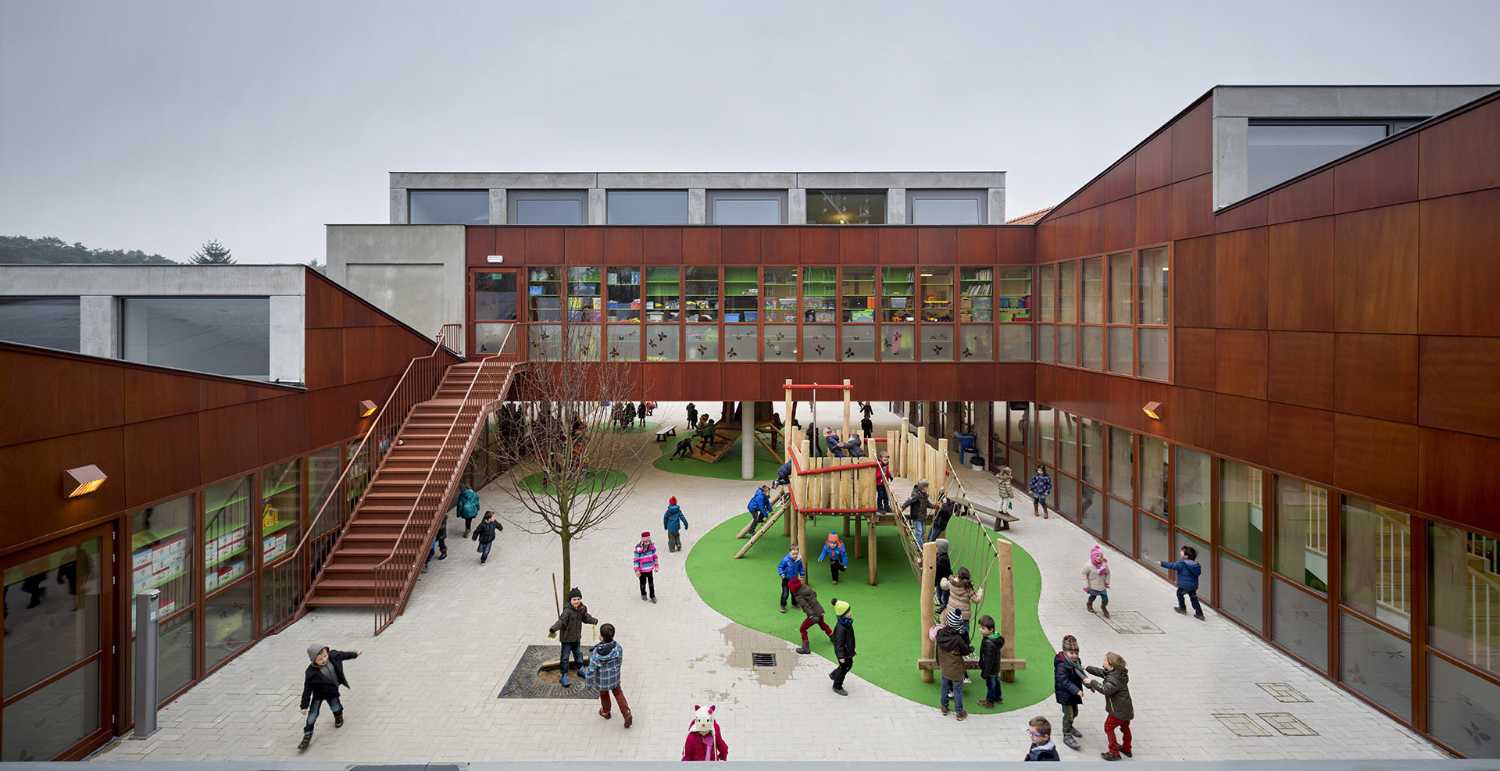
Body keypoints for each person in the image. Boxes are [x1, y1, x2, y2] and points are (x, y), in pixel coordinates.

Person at [298, 644, 361, 750]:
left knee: (335, 706)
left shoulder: (333, 656)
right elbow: (307, 689)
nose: (324, 660)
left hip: (332, 691)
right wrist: (304, 705)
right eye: (320, 659)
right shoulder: (311, 673)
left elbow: (343, 655)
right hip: (318, 694)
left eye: (325, 656)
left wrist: (355, 654)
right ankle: (307, 734)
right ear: (313, 660)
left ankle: (338, 717)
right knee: (312, 715)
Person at [582, 622, 632, 728]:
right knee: (618, 694)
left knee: (604, 695)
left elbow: (591, 670)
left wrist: (588, 684)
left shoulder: (596, 653)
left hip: (602, 680)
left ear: (601, 636)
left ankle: (606, 712)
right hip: (614, 678)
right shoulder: (618, 648)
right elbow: (619, 661)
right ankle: (626, 713)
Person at [1085, 652, 1133, 761]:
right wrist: (1087, 668)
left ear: (1110, 664)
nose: (1103, 662)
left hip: (1118, 711)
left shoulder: (1114, 679)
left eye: (1105, 660)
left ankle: (1114, 752)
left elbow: (1105, 690)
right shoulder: (1117, 673)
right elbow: (1101, 672)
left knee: (1108, 727)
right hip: (1127, 709)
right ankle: (1127, 748)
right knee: (1125, 727)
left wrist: (1092, 682)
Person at [547, 587, 598, 687]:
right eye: (574, 599)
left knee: (578, 654)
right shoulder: (567, 611)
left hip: (576, 637)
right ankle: (564, 675)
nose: (577, 601)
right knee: (565, 657)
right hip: (566, 639)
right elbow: (561, 622)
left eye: (578, 599)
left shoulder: (582, 609)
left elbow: (585, 617)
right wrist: (554, 628)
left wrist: (593, 620)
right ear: (570, 600)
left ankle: (580, 669)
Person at [935, 608, 973, 720]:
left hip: (944, 667)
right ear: (958, 625)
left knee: (944, 687)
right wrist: (965, 638)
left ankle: (944, 707)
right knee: (957, 690)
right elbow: (965, 651)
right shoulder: (957, 639)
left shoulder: (940, 633)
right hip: (956, 669)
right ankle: (959, 712)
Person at [1054, 634, 1086, 750]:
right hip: (1065, 694)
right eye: (1071, 653)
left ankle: (1070, 727)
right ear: (1065, 652)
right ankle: (1066, 734)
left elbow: (1080, 672)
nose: (1075, 656)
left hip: (1074, 694)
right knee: (1069, 715)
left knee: (1075, 712)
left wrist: (1087, 682)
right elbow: (1064, 681)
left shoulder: (1076, 662)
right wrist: (1076, 690)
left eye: (1076, 653)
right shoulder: (1061, 664)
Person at [789, 577, 832, 654]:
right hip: (819, 610)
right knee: (822, 624)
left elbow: (805, 606)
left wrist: (811, 615)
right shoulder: (806, 587)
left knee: (802, 629)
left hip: (814, 615)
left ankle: (806, 648)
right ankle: (833, 637)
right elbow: (815, 594)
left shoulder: (798, 595)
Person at [1161, 545, 1204, 619]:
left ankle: (1182, 608)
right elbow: (1198, 573)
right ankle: (1199, 614)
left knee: (1179, 594)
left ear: (1186, 556)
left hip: (1184, 586)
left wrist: (1162, 563)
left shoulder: (1182, 563)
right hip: (1193, 585)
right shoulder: (1196, 565)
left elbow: (1172, 565)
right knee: (1194, 598)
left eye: (1182, 551)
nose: (1180, 552)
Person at [940, 566, 984, 636]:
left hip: (951, 613)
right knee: (964, 635)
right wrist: (980, 591)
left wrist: (944, 579)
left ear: (958, 575)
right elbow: (976, 600)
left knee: (951, 631)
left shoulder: (952, 582)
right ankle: (964, 644)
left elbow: (943, 585)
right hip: (963, 617)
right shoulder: (968, 588)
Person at [978, 614, 1005, 708]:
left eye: (983, 628)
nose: (980, 630)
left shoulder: (989, 643)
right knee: (996, 681)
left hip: (990, 668)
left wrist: (985, 672)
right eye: (980, 627)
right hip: (995, 666)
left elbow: (988, 660)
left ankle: (990, 701)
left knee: (991, 684)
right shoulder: (995, 638)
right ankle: (998, 697)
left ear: (991, 630)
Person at [830, 599, 855, 696]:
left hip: (847, 650)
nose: (850, 613)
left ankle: (834, 674)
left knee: (848, 665)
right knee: (845, 667)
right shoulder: (841, 627)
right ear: (843, 613)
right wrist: (841, 656)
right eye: (848, 611)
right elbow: (839, 644)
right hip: (843, 653)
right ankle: (837, 686)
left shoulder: (847, 622)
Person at [901, 480, 933, 545]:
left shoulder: (925, 495)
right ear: (922, 487)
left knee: (923, 532)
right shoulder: (916, 495)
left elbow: (927, 503)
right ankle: (920, 547)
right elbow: (909, 501)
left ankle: (921, 544)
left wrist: (934, 506)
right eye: (926, 487)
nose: (927, 488)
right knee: (919, 531)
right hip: (917, 516)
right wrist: (902, 508)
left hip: (923, 516)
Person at [1084, 544, 1111, 617]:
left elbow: (1108, 573)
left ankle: (1103, 607)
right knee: (1093, 596)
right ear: (1093, 557)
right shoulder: (1089, 566)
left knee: (1105, 598)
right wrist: (1086, 585)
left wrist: (1107, 581)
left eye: (1101, 556)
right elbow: (1084, 575)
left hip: (1102, 585)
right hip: (1093, 585)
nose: (1099, 558)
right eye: (1097, 556)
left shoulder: (1104, 565)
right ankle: (1089, 604)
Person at [777, 546, 806, 613]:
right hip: (786, 579)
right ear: (790, 553)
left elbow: (801, 568)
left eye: (796, 554)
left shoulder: (798, 560)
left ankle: (794, 604)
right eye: (793, 554)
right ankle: (783, 605)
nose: (795, 555)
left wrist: (802, 574)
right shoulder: (785, 560)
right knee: (785, 593)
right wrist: (782, 574)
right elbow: (780, 567)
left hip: (794, 579)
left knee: (794, 593)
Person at [633, 531, 659, 603]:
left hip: (649, 569)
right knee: (643, 583)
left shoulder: (652, 547)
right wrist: (637, 570)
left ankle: (652, 596)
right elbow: (636, 560)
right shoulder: (638, 549)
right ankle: (643, 594)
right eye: (645, 541)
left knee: (651, 584)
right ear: (643, 540)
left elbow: (654, 557)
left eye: (648, 541)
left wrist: (656, 565)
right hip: (641, 570)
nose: (647, 543)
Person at [933, 538, 953, 610]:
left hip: (945, 582)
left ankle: (945, 607)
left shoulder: (943, 558)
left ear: (941, 549)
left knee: (944, 597)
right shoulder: (939, 555)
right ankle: (942, 606)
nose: (935, 548)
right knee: (939, 595)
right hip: (939, 580)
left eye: (936, 547)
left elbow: (936, 566)